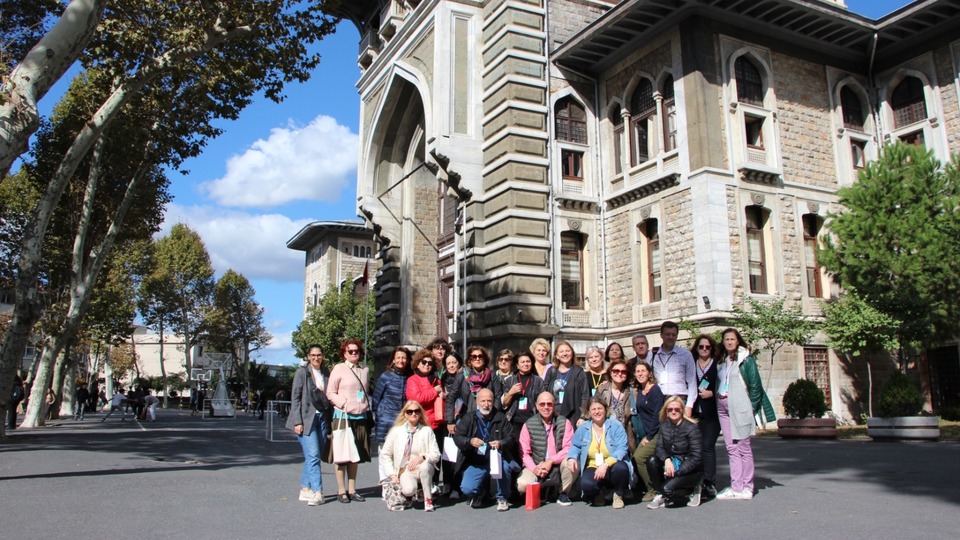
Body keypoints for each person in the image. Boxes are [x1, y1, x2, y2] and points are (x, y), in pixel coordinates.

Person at [715, 328, 776, 501]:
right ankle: (736, 486)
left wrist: (753, 408)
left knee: (743, 447)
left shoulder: (746, 360)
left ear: (738, 341)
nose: (729, 342)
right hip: (722, 405)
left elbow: (755, 386)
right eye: (726, 339)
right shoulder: (722, 360)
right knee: (731, 448)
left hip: (740, 405)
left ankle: (747, 487)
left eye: (732, 339)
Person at [326, 338, 372, 503]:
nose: (354, 354)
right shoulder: (339, 369)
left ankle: (352, 489)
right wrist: (343, 404)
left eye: (356, 351)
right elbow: (330, 392)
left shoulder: (365, 369)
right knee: (342, 454)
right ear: (344, 353)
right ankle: (341, 490)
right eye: (350, 351)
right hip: (343, 417)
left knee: (355, 454)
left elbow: (365, 390)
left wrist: (365, 405)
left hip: (360, 416)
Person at [454, 388, 514, 511]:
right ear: (477, 402)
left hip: (497, 458)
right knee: (467, 488)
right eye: (483, 401)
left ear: (493, 402)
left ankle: (502, 497)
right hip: (477, 460)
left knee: (506, 467)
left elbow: (512, 438)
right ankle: (480, 493)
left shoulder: (500, 417)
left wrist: (501, 443)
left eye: (489, 401)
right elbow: (458, 437)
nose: (486, 404)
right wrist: (469, 441)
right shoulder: (469, 418)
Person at [567, 397, 632, 509]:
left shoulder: (615, 425)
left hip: (612, 464)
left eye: (600, 408)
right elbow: (575, 445)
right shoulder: (583, 428)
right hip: (593, 465)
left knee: (621, 469)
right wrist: (572, 457)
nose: (597, 412)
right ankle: (599, 493)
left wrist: (606, 464)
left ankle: (618, 494)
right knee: (586, 485)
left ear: (605, 410)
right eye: (593, 409)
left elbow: (622, 448)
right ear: (589, 412)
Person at [517, 391, 577, 506]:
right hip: (537, 464)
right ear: (537, 406)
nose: (546, 407)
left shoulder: (564, 422)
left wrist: (551, 461)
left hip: (557, 463)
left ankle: (562, 493)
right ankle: (542, 490)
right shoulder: (528, 424)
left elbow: (568, 448)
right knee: (522, 484)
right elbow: (524, 453)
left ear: (554, 405)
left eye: (549, 404)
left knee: (572, 463)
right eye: (542, 404)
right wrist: (534, 468)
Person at [287, 345, 330, 506]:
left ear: (323, 356)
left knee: (314, 456)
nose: (316, 358)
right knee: (313, 456)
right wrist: (297, 421)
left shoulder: (326, 373)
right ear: (308, 356)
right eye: (313, 355)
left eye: (319, 355)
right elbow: (295, 397)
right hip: (306, 419)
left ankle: (305, 489)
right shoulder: (302, 373)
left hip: (322, 419)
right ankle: (318, 492)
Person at [380, 400, 442, 512]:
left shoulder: (427, 430)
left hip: (423, 466)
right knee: (409, 490)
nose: (414, 414)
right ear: (405, 414)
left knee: (425, 467)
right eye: (410, 412)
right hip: (405, 469)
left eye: (417, 411)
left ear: (420, 413)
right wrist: (392, 475)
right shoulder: (396, 431)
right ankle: (415, 491)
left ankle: (428, 500)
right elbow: (385, 454)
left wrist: (422, 458)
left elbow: (436, 454)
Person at [646, 395, 704, 509]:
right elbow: (659, 448)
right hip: (672, 463)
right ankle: (660, 493)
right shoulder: (664, 426)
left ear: (682, 410)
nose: (673, 412)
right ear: (666, 411)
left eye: (677, 409)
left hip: (690, 470)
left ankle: (694, 489)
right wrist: (667, 460)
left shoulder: (692, 428)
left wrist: (678, 471)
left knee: (668, 490)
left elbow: (696, 457)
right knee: (652, 460)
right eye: (670, 409)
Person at [406, 348, 447, 494]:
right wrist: (434, 391)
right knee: (420, 454)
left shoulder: (436, 379)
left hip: (436, 422)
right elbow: (416, 399)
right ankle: (419, 485)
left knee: (435, 455)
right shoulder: (413, 380)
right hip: (421, 423)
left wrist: (443, 394)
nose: (427, 365)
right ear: (417, 364)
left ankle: (433, 483)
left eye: (430, 363)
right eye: (424, 362)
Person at [373, 347, 411, 485]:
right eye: (398, 358)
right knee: (385, 452)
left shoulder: (409, 377)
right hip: (386, 419)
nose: (401, 360)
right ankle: (385, 482)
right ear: (393, 360)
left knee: (400, 452)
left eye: (404, 358)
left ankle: (397, 482)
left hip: (402, 420)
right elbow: (376, 398)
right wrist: (378, 417)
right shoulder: (386, 376)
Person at [629, 362, 664, 502]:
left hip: (656, 433)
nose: (640, 374)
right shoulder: (641, 390)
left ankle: (653, 489)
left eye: (643, 371)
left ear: (649, 373)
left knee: (638, 458)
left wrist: (649, 437)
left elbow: (658, 415)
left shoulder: (655, 390)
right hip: (646, 432)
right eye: (638, 371)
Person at [691, 334, 720, 498]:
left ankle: (710, 482)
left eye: (707, 347)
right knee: (695, 448)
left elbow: (724, 386)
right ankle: (697, 481)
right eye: (701, 347)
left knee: (708, 445)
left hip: (712, 414)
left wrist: (713, 393)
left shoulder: (717, 365)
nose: (704, 349)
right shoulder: (691, 365)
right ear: (696, 348)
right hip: (694, 413)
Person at [445, 345, 495, 436]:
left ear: (485, 359)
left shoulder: (492, 376)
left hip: (488, 419)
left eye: (480, 356)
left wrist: (494, 417)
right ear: (470, 360)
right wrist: (450, 421)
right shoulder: (462, 376)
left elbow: (498, 397)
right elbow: (451, 398)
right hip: (467, 418)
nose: (477, 359)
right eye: (474, 357)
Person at [651, 321, 697, 417]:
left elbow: (692, 382)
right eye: (667, 334)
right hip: (660, 401)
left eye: (673, 335)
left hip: (680, 400)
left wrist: (689, 406)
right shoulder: (653, 355)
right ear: (661, 335)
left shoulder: (686, 355)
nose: (671, 337)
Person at [495, 350, 544, 435]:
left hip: (533, 421)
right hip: (514, 422)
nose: (525, 364)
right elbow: (503, 404)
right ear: (517, 365)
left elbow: (543, 400)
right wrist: (511, 392)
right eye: (522, 362)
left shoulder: (538, 381)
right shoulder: (509, 380)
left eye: (528, 361)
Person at [542, 341, 589, 427]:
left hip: (573, 415)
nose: (565, 354)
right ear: (557, 355)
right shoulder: (552, 371)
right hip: (553, 415)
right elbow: (544, 392)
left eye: (567, 351)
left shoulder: (579, 372)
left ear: (572, 353)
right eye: (561, 351)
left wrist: (583, 417)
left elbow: (585, 395)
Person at [592, 358, 631, 427]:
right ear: (610, 372)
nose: (619, 374)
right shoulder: (602, 390)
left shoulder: (631, 392)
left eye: (623, 372)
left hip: (625, 433)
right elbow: (594, 409)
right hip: (605, 431)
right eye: (616, 371)